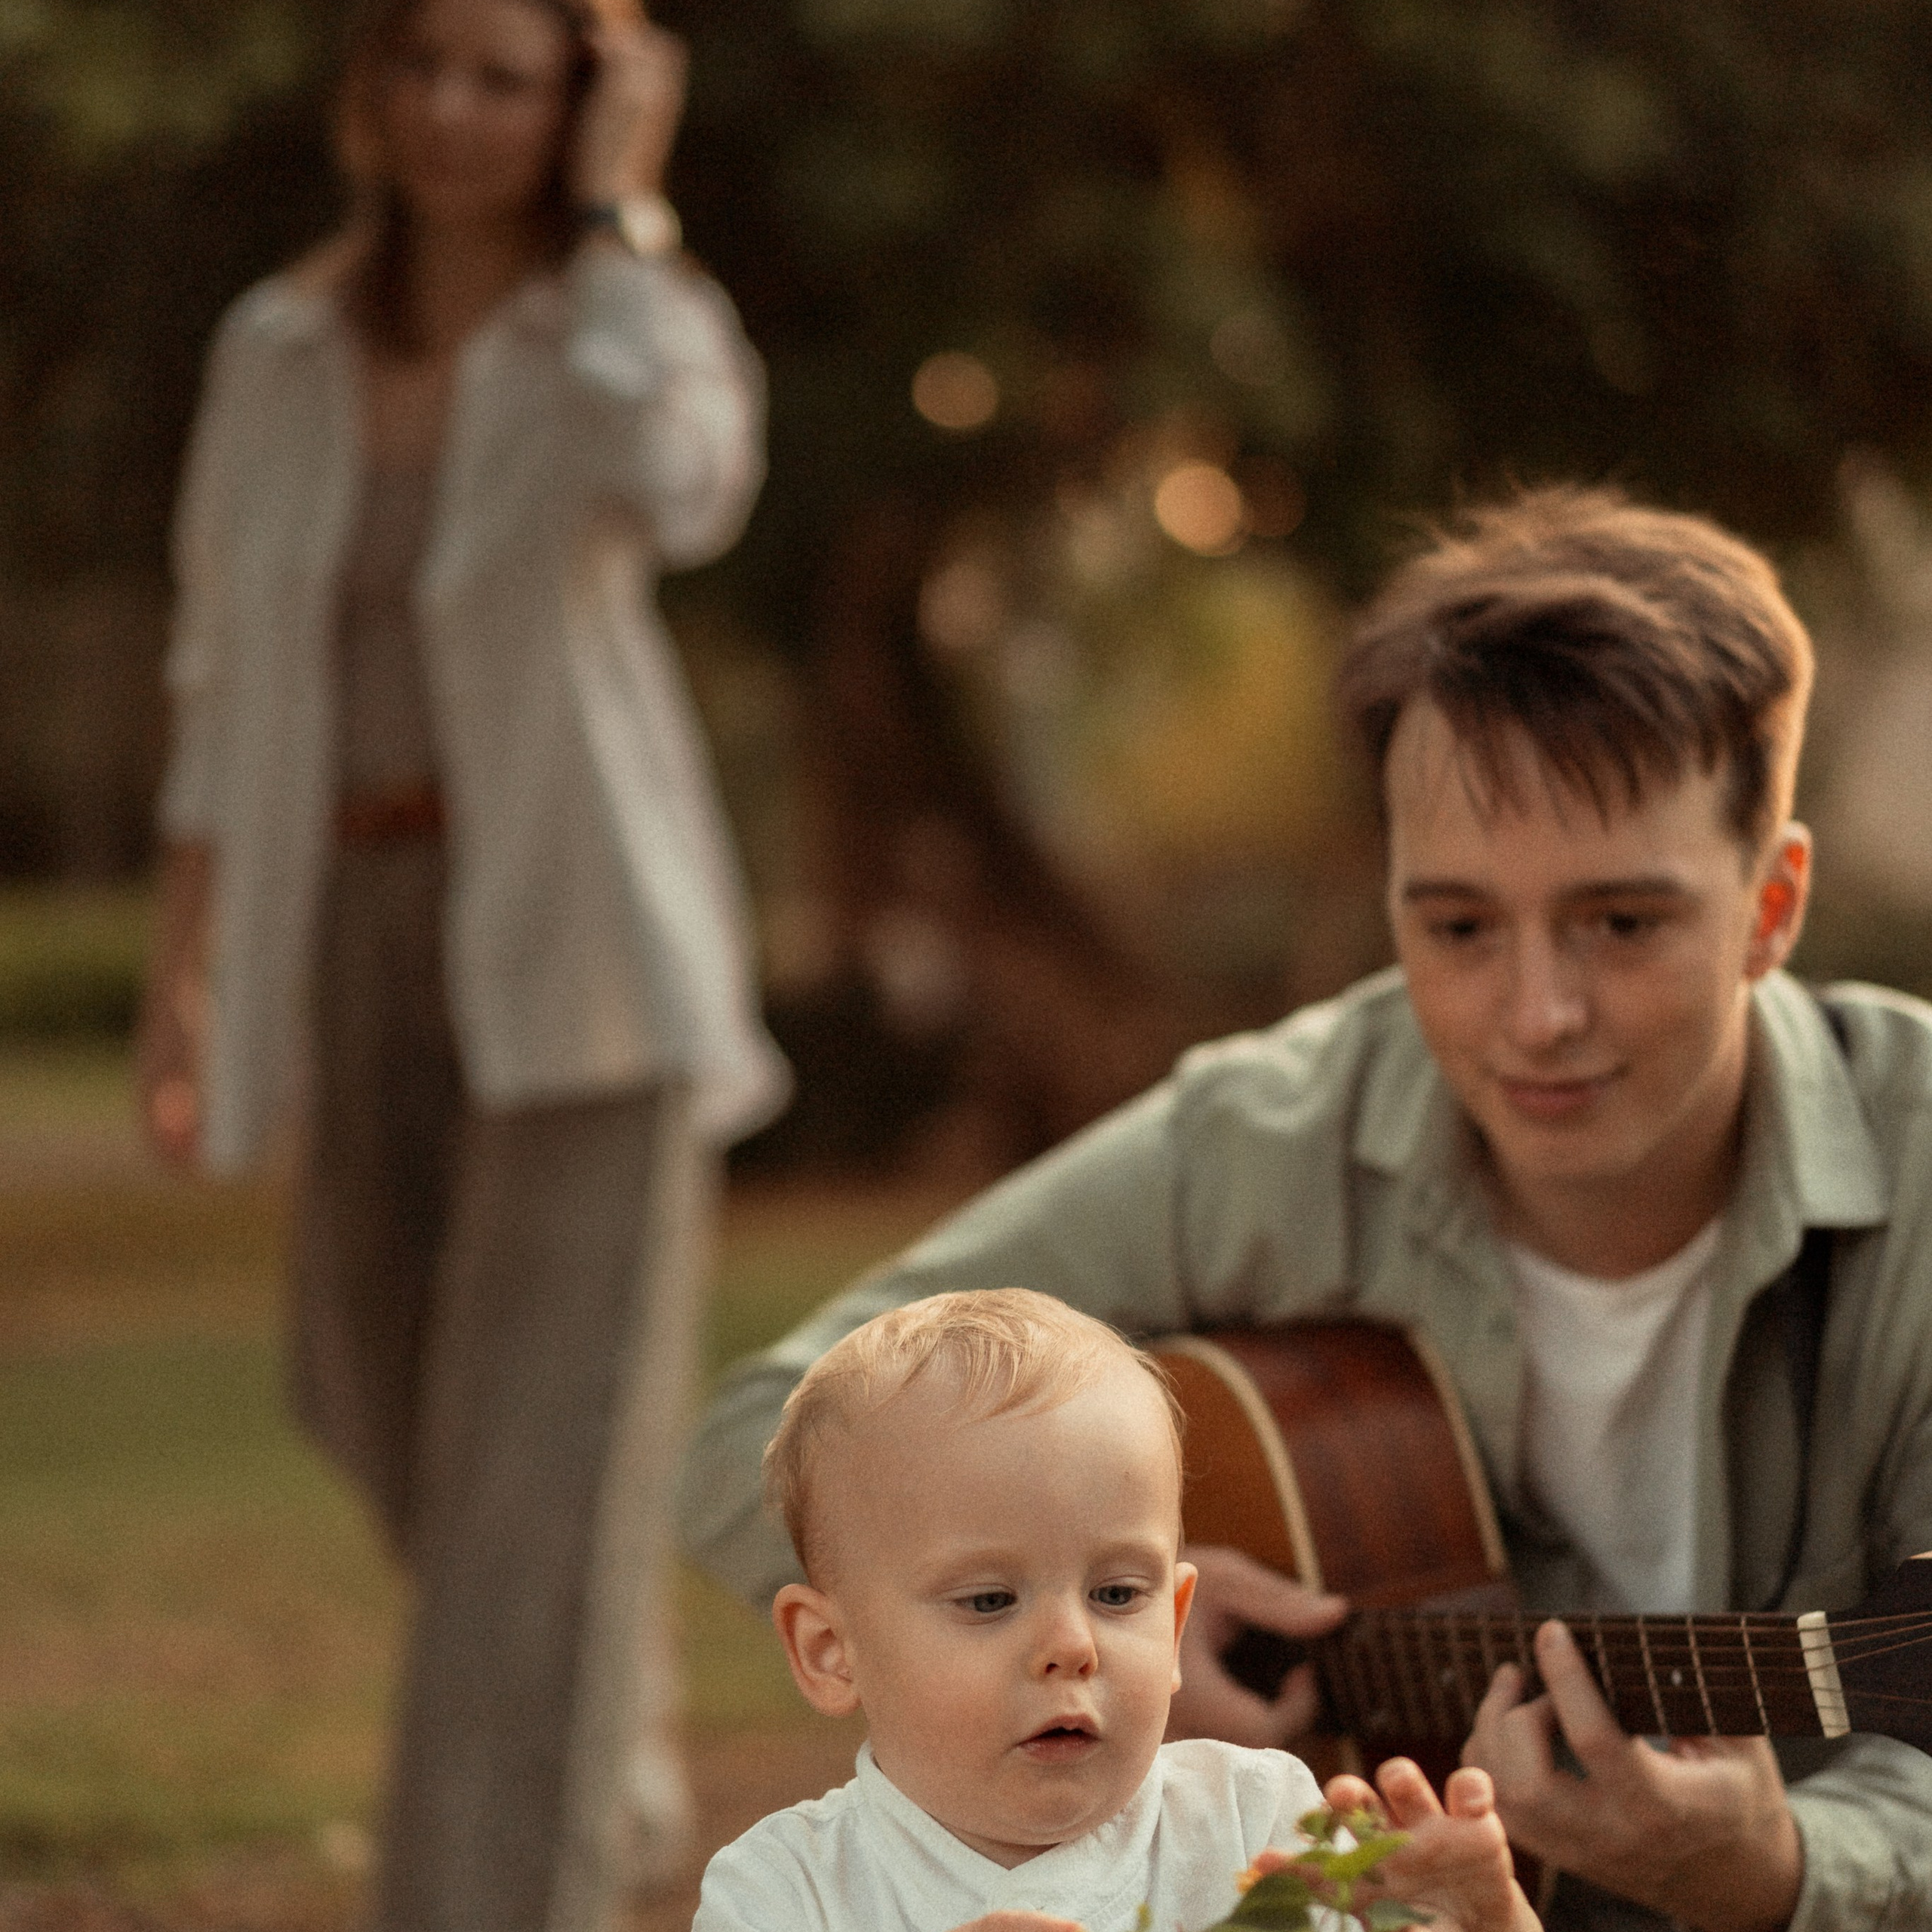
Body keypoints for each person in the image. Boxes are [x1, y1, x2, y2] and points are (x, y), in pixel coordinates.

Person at [679, 485, 1932, 1932]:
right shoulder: (1271, 1134)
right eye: (1457, 926)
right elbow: (755, 1431)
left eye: (1623, 922)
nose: (1536, 1013)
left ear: (1770, 906)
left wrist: (1784, 1874)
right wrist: (1104, 1603)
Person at [134, 3, 786, 1929]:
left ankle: (494, 1887)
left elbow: (683, 488)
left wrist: (621, 224)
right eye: (424, 63)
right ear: (369, 86)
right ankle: (606, 1729)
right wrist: (185, 971)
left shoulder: (620, 320)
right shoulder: (274, 348)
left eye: (506, 76)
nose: (451, 111)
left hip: (587, 947)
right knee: (367, 1385)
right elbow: (211, 668)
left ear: (577, 106)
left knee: (536, 1472)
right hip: (346, 917)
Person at [693, 1287, 1540, 1932]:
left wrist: (1488, 1918)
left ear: (1175, 1625)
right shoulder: (788, 1891)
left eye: (1116, 1595)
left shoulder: (1255, 1823)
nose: (1071, 1645)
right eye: (989, 1599)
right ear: (831, 1650)